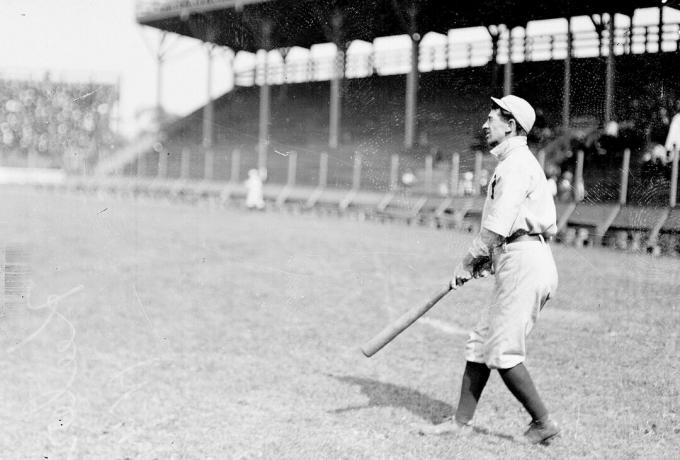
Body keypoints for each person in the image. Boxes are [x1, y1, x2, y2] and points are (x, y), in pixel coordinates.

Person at [418, 95, 560, 444]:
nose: (485, 124)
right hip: (517, 256)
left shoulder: (515, 165)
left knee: (503, 350)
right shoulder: (511, 162)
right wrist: (488, 259)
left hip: (525, 259)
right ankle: (459, 422)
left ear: (511, 126)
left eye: (492, 118)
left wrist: (468, 260)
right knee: (482, 341)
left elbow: (498, 225)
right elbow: (503, 229)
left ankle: (543, 423)